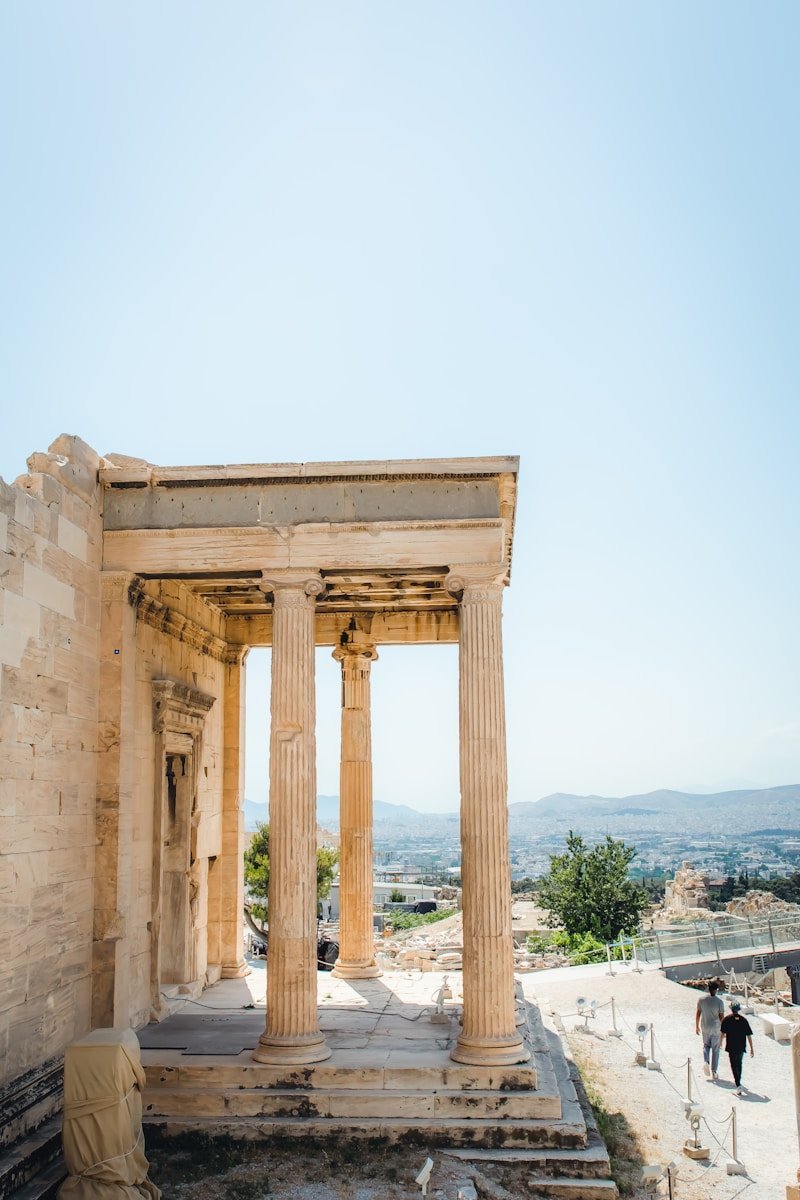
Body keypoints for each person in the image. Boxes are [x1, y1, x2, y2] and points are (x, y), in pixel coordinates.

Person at [720, 1000, 754, 1095]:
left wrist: (720, 1043)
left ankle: (738, 1083)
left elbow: (722, 1033)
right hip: (741, 1046)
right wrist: (752, 1048)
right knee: (739, 1063)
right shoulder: (743, 1020)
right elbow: (749, 1035)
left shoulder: (726, 1019)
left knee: (733, 1064)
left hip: (731, 1046)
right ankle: (738, 1082)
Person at [695, 980, 724, 1079]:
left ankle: (706, 1061)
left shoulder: (701, 999)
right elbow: (721, 1018)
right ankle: (714, 1071)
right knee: (716, 1050)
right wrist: (724, 1031)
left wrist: (696, 1026)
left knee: (706, 1046)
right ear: (716, 990)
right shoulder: (720, 1002)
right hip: (716, 1028)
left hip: (705, 1026)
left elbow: (698, 1013)